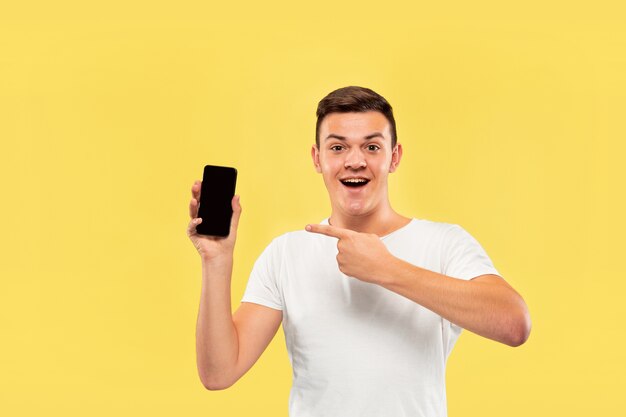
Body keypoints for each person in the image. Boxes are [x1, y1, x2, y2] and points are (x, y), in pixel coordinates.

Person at [187, 86, 531, 417]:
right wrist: (217, 262)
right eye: (337, 148)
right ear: (317, 158)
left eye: (372, 147)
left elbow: (513, 323)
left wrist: (387, 269)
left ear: (393, 157)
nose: (354, 161)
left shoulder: (443, 243)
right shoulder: (285, 254)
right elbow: (219, 372)